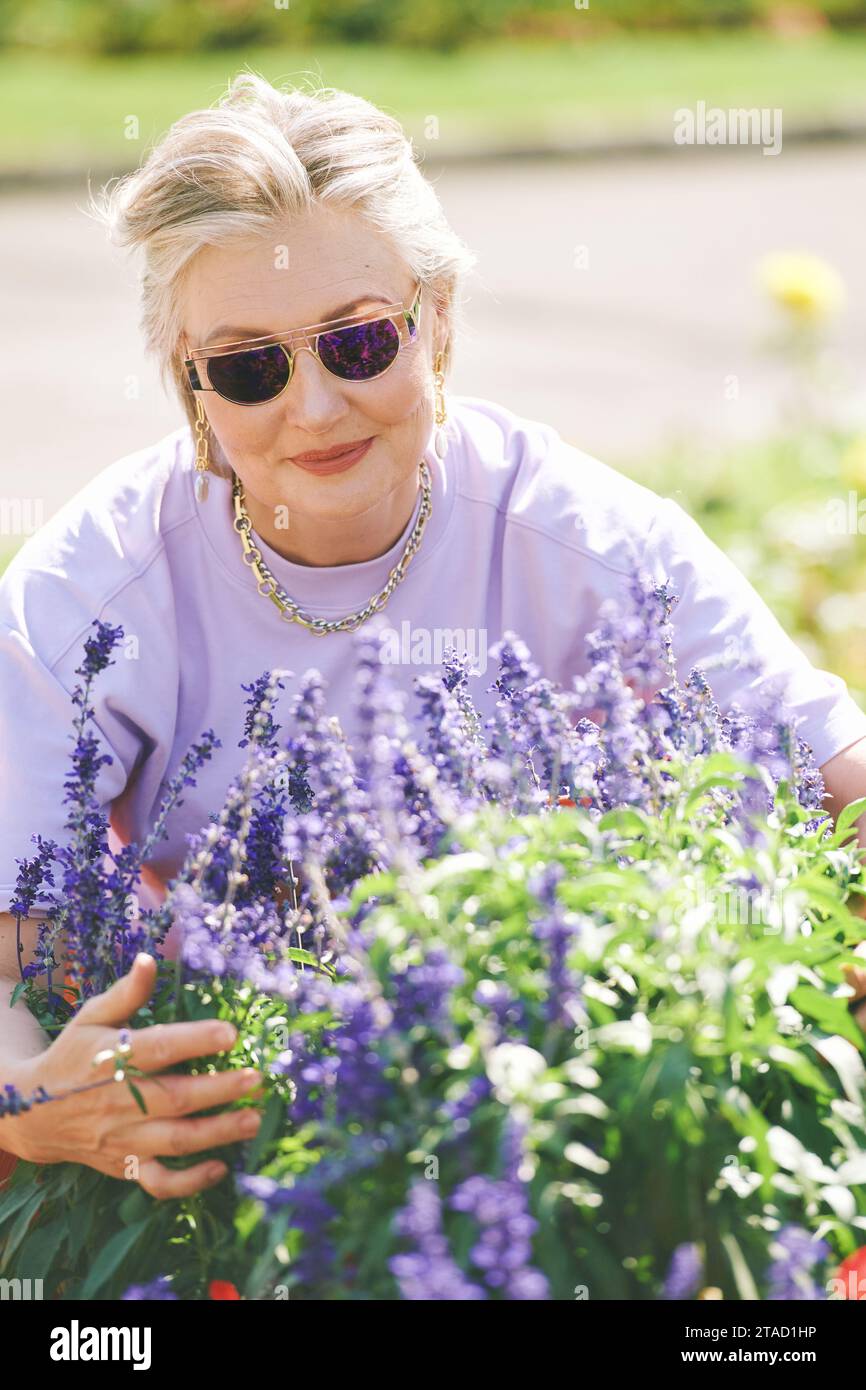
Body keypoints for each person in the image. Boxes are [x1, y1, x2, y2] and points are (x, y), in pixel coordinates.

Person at [2, 72, 866, 1196]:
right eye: (249, 366)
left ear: (438, 320)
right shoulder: (97, 588)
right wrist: (28, 1101)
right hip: (230, 1142)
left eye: (357, 342)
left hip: (554, 1125)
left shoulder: (587, 542)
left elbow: (831, 788)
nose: (311, 408)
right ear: (189, 380)